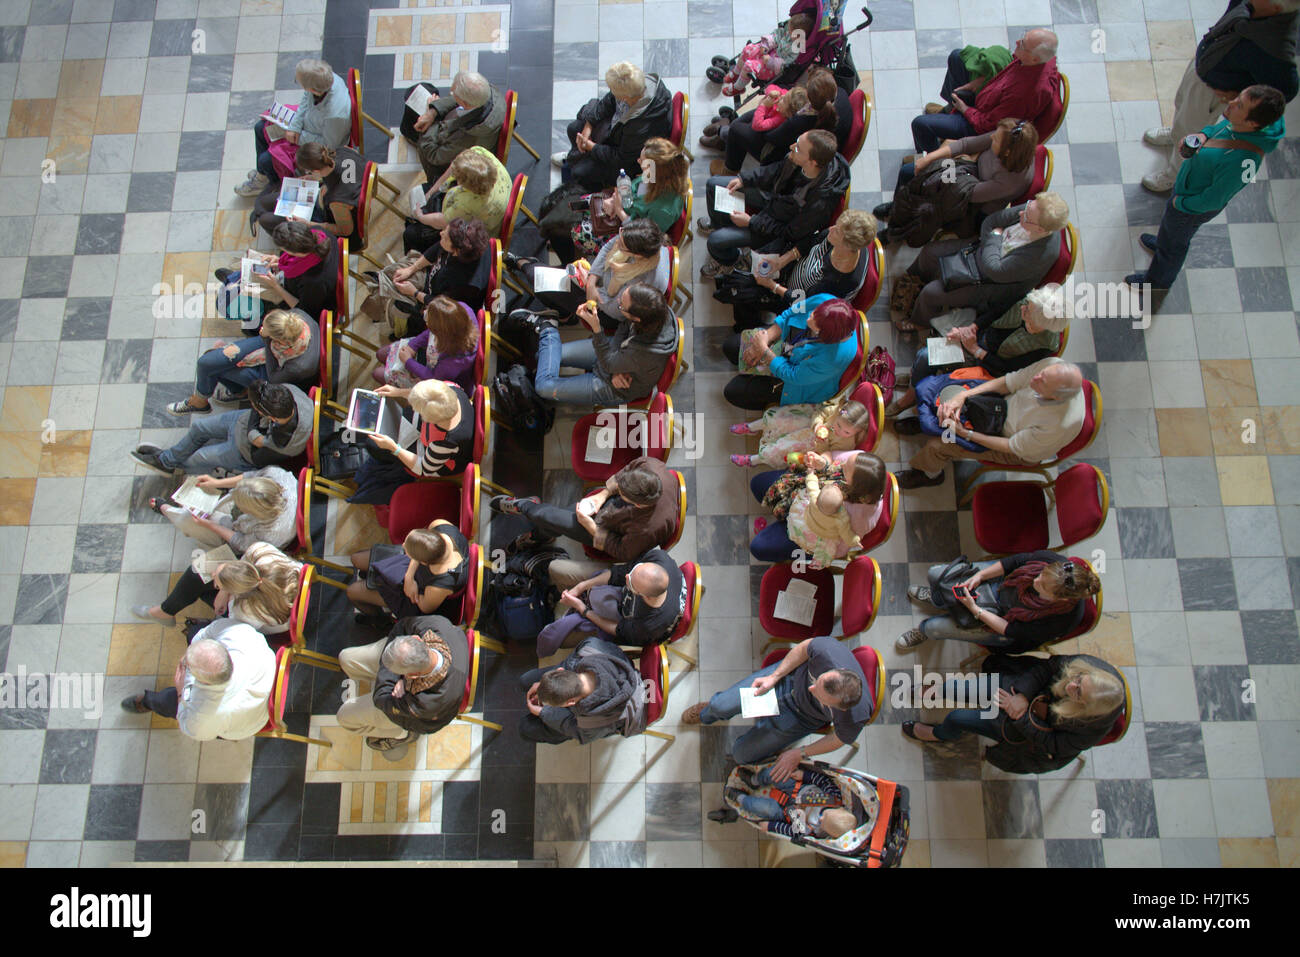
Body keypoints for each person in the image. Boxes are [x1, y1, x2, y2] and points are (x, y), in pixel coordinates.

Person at [1127, 85, 1286, 292]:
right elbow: (1216, 129)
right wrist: (1202, 135)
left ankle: (1158, 281)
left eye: (1239, 105)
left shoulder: (1245, 161)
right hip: (1187, 190)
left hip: (1192, 206)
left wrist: (1181, 203)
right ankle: (1163, 242)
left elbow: (1214, 199)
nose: (1231, 103)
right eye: (1237, 97)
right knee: (1171, 232)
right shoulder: (1237, 123)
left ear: (1252, 123)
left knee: (1176, 244)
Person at [1141, 0, 1298, 194]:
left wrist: (1241, 93)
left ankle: (1175, 176)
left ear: (1275, 8)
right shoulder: (1255, 6)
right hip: (1206, 64)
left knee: (1191, 129)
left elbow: (1285, 90)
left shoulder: (1276, 45)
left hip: (1213, 91)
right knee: (1182, 106)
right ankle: (1175, 133)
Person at [902, 653, 1125, 775]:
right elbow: (1047, 668)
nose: (1070, 686)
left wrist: (1020, 717)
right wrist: (1022, 695)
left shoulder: (1090, 728)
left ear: (1087, 708)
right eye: (1077, 680)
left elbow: (1052, 745)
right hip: (1020, 691)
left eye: (1077, 693)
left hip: (1023, 728)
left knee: (957, 718)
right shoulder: (1087, 667)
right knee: (957, 688)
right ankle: (936, 692)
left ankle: (941, 734)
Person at [682, 636, 872, 776]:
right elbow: (804, 648)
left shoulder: (855, 717)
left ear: (841, 709)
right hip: (785, 681)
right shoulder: (828, 652)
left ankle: (772, 745)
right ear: (840, 671)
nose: (811, 688)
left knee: (741, 755)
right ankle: (708, 712)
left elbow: (838, 740)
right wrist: (774, 677)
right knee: (720, 706)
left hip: (802, 718)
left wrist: (800, 753)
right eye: (816, 681)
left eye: (820, 697)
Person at [895, 357, 1086, 490]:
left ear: (1054, 396)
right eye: (1041, 374)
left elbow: (1010, 446)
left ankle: (929, 475)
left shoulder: (1056, 425)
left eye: (1042, 382)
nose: (1036, 378)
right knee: (949, 393)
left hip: (1008, 442)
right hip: (1001, 406)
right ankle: (928, 421)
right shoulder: (1053, 366)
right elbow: (1009, 382)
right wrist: (964, 396)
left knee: (939, 445)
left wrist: (964, 434)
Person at [895, 192, 1067, 334]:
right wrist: (991, 245)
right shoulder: (1033, 211)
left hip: (987, 284)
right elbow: (991, 221)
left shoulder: (1039, 255)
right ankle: (911, 283)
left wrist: (995, 237)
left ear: (1040, 230)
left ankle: (919, 322)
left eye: (1026, 216)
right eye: (1027, 207)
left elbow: (993, 270)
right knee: (930, 252)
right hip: (978, 251)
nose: (1021, 213)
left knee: (931, 293)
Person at [886, 286, 1069, 417]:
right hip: (978, 339)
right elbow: (996, 311)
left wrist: (976, 350)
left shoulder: (1045, 347)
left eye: (1027, 311)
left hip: (989, 368)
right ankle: (914, 385)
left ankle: (912, 394)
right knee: (926, 355)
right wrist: (971, 328)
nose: (1023, 307)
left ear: (1038, 325)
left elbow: (1009, 371)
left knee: (926, 358)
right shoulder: (1028, 300)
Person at [698, 129, 851, 279]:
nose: (792, 146)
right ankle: (719, 225)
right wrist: (744, 179)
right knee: (714, 184)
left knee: (715, 242)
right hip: (773, 200)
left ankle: (732, 261)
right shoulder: (797, 158)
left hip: (773, 229)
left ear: (812, 162)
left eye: (797, 147)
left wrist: (752, 222)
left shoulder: (819, 204)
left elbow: (789, 233)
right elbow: (774, 171)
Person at [875, 117, 1038, 246]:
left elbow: (968, 194)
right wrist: (930, 159)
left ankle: (896, 233)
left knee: (927, 207)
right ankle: (897, 208)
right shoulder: (1007, 135)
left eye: (995, 139)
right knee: (909, 172)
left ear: (1008, 152)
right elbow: (967, 143)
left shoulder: (1011, 181)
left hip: (973, 203)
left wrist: (949, 167)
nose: (991, 137)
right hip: (966, 173)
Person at [895, 552, 1101, 653]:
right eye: (1040, 574)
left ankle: (924, 630)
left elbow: (1011, 630)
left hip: (1003, 623)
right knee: (936, 575)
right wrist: (981, 576)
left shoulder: (1061, 621)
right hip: (1003, 584)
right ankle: (940, 600)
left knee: (935, 627)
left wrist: (975, 610)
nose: (1036, 580)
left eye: (1042, 586)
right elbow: (1014, 562)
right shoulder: (1051, 562)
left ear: (1060, 598)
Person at [490, 456, 677, 564]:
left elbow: (622, 552)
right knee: (554, 521)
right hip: (610, 509)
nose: (619, 489)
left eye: (623, 493)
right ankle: (538, 535)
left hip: (609, 532)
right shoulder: (651, 466)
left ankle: (523, 506)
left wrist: (591, 528)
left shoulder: (647, 529)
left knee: (546, 516)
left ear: (636, 504)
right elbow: (625, 473)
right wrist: (603, 494)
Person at [714, 208, 876, 332]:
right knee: (745, 277)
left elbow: (805, 305)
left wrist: (772, 286)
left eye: (837, 231)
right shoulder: (838, 238)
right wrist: (782, 261)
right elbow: (811, 242)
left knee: (741, 292)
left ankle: (747, 327)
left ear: (848, 247)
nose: (831, 229)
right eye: (836, 225)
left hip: (793, 302)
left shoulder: (837, 282)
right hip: (790, 274)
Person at [525, 283, 678, 408]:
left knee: (543, 387)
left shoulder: (644, 351)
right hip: (618, 358)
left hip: (616, 388)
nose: (618, 302)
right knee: (544, 356)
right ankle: (547, 330)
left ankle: (547, 328)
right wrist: (617, 366)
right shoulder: (655, 309)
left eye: (621, 306)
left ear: (637, 318)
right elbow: (624, 326)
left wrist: (597, 329)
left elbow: (610, 363)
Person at [121, 618, 275, 742]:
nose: (183, 664)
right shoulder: (239, 634)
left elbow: (189, 727)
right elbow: (207, 632)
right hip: (264, 686)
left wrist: (181, 692)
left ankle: (148, 701)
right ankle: (192, 629)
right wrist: (194, 645)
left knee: (169, 700)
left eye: (188, 666)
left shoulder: (203, 716)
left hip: (247, 724)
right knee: (196, 632)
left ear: (201, 680)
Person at [337, 615, 470, 758]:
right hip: (403, 659)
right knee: (345, 658)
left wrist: (398, 682)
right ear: (417, 639)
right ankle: (386, 670)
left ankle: (400, 734)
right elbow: (401, 627)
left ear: (413, 675)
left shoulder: (428, 701)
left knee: (343, 716)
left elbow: (381, 700)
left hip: (414, 718)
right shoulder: (436, 625)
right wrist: (398, 677)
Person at [911, 30, 1060, 153]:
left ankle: (928, 162)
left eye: (1022, 44)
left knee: (921, 124)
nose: (1016, 43)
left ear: (1034, 59)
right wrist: (980, 81)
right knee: (957, 57)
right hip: (988, 98)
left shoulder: (1025, 95)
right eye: (1022, 38)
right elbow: (1009, 69)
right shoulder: (1037, 60)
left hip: (979, 126)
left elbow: (988, 125)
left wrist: (965, 109)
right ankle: (949, 111)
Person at [541, 137, 689, 262]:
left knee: (575, 232)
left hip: (627, 235)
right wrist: (614, 200)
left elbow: (645, 238)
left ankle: (567, 253)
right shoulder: (653, 177)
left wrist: (619, 211)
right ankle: (560, 236)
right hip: (620, 210)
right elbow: (630, 190)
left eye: (642, 161)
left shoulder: (663, 210)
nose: (638, 161)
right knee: (575, 206)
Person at [514, 219, 672, 331]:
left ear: (636, 255)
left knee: (540, 280)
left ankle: (523, 264)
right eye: (620, 236)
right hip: (598, 283)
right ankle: (562, 312)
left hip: (606, 311)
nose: (618, 243)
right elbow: (610, 244)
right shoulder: (639, 237)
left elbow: (615, 309)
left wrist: (593, 289)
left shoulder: (642, 283)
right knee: (547, 279)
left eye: (622, 246)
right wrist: (591, 279)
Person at [130, 381, 312, 477]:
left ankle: (171, 463)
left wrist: (252, 430)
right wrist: (252, 432)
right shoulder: (285, 393)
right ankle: (167, 460)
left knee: (198, 457)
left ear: (270, 416)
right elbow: (253, 421)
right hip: (245, 425)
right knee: (199, 427)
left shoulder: (284, 442)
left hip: (243, 453)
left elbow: (256, 456)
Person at [167, 309, 319, 415]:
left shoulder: (299, 367)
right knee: (210, 361)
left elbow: (273, 378)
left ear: (277, 339)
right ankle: (237, 391)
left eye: (264, 328)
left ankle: (200, 402)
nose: (261, 329)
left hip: (275, 372)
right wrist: (266, 338)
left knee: (214, 366)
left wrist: (266, 339)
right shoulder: (296, 318)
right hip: (273, 349)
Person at [749, 450, 888, 567]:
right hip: (806, 489)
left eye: (845, 470)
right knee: (757, 484)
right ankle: (783, 515)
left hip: (811, 529)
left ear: (856, 487)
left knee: (758, 548)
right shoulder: (859, 459)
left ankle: (785, 525)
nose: (842, 464)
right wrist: (822, 461)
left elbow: (838, 548)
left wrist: (807, 528)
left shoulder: (860, 516)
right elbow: (831, 455)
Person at [235, 58, 352, 197]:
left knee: (266, 160)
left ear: (313, 88)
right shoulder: (325, 80)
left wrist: (297, 137)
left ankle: (272, 182)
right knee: (260, 127)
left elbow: (330, 145)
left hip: (316, 144)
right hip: (306, 126)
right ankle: (262, 176)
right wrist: (294, 127)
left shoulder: (335, 115)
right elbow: (306, 98)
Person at [721, 294, 859, 411]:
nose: (809, 317)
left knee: (733, 391)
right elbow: (791, 313)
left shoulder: (835, 357)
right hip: (785, 346)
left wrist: (763, 350)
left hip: (794, 385)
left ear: (824, 335)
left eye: (815, 322)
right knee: (730, 347)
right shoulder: (826, 301)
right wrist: (767, 337)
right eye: (814, 312)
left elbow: (794, 376)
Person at [132, 541, 302, 636]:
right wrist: (224, 590)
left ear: (237, 593)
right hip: (293, 590)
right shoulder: (260, 552)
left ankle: (165, 612)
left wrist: (224, 595)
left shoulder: (242, 611)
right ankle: (165, 611)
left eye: (217, 583)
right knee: (197, 576)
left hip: (269, 621)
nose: (212, 573)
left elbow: (240, 625)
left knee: (197, 581)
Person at [347, 379, 476, 503]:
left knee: (374, 446)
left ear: (430, 420)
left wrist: (394, 448)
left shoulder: (444, 443)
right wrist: (397, 391)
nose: (414, 410)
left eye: (418, 411)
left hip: (442, 463)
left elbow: (424, 469)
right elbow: (426, 394)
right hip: (433, 439)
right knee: (399, 418)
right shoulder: (448, 388)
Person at [539, 546, 685, 656]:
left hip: (624, 622)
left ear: (645, 596)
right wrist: (581, 586)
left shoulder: (649, 625)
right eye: (635, 570)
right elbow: (618, 574)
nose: (627, 576)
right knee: (556, 568)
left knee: (559, 638)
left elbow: (618, 629)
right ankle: (555, 592)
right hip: (618, 598)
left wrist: (583, 610)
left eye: (631, 584)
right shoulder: (658, 557)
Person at [712, 68, 853, 177]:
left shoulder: (800, 121)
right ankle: (728, 138)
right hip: (821, 145)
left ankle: (730, 169)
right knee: (753, 117)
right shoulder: (841, 94)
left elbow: (771, 136)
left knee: (737, 128)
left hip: (783, 155)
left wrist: (764, 107)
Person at [554, 62, 673, 191]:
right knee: (573, 128)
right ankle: (575, 156)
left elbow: (620, 159)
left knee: (579, 172)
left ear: (625, 97)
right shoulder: (635, 85)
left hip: (629, 159)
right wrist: (588, 126)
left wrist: (591, 147)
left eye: (614, 92)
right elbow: (609, 101)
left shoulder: (640, 126)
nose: (611, 92)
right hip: (616, 134)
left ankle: (579, 164)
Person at [518, 636, 646, 744]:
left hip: (608, 716)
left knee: (525, 728)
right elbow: (568, 666)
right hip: (619, 669)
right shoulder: (590, 646)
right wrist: (545, 684)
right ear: (560, 671)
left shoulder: (592, 722)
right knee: (524, 681)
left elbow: (577, 731)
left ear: (570, 703)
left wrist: (544, 713)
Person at [216, 221, 338, 333]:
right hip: (294, 286)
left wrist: (275, 286)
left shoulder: (313, 281)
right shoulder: (320, 234)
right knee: (246, 278)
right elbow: (298, 262)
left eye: (284, 251)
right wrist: (280, 261)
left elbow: (303, 311)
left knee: (226, 302)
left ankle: (253, 326)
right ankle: (234, 279)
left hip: (301, 306)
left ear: (293, 252)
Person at [153, 466, 298, 554]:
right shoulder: (276, 474)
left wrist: (209, 525)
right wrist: (217, 483)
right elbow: (250, 476)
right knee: (206, 508)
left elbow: (239, 542)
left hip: (241, 532)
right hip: (244, 522)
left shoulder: (268, 533)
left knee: (189, 520)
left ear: (252, 512)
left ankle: (166, 510)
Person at [348, 520, 470, 625]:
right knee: (356, 559)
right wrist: (409, 577)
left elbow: (425, 607)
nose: (403, 545)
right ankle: (374, 575)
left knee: (353, 591)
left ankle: (380, 620)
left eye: (408, 550)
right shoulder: (440, 526)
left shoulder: (439, 585)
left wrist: (411, 588)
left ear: (424, 562)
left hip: (413, 597)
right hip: (412, 576)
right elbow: (423, 550)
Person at [400, 71, 507, 184]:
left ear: (464, 104)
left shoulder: (466, 139)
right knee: (422, 89)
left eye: (453, 93)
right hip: (453, 127)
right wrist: (433, 111)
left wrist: (431, 121)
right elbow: (455, 101)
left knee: (413, 113)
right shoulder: (488, 93)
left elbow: (434, 156)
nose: (451, 94)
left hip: (444, 163)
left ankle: (411, 135)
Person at [252, 142, 366, 243]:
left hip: (326, 216)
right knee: (263, 202)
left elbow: (345, 230)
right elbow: (342, 173)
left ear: (315, 171)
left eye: (309, 171)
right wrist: (317, 178)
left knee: (265, 220)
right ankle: (259, 214)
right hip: (324, 197)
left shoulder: (337, 201)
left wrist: (308, 224)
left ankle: (290, 242)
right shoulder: (343, 151)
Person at [405, 145, 510, 255]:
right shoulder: (482, 155)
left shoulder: (467, 204)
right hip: (496, 204)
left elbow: (442, 222)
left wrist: (420, 216)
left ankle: (417, 260)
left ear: (465, 184)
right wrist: (432, 190)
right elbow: (456, 163)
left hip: (480, 231)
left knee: (411, 234)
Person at [371, 295, 479, 393]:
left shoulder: (454, 362)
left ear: (440, 332)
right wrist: (412, 345)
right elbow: (431, 332)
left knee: (377, 373)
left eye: (428, 321)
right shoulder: (461, 310)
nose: (425, 316)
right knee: (380, 353)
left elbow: (433, 378)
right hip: (433, 358)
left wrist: (408, 361)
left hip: (438, 381)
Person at [731, 396, 875, 469]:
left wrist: (822, 443)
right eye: (838, 425)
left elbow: (830, 454)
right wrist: (818, 425)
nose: (839, 431)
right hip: (809, 422)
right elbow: (820, 414)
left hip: (813, 444)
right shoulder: (836, 410)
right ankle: (751, 427)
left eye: (847, 432)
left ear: (856, 432)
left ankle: (754, 460)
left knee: (781, 449)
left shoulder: (847, 443)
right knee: (778, 419)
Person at [390, 217, 493, 318]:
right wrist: (411, 269)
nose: (441, 233)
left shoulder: (464, 282)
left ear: (457, 251)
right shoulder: (468, 240)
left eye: (445, 238)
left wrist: (414, 292)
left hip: (444, 306)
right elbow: (438, 248)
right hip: (436, 283)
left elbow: (443, 304)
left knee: (399, 302)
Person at [727, 765, 859, 840]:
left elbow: (790, 831)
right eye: (825, 814)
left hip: (785, 812)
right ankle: (754, 780)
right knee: (775, 772)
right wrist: (804, 775)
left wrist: (771, 827)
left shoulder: (815, 832)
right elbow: (823, 780)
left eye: (822, 822)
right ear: (840, 808)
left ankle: (740, 798)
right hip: (797, 787)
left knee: (761, 808)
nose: (821, 817)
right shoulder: (834, 797)